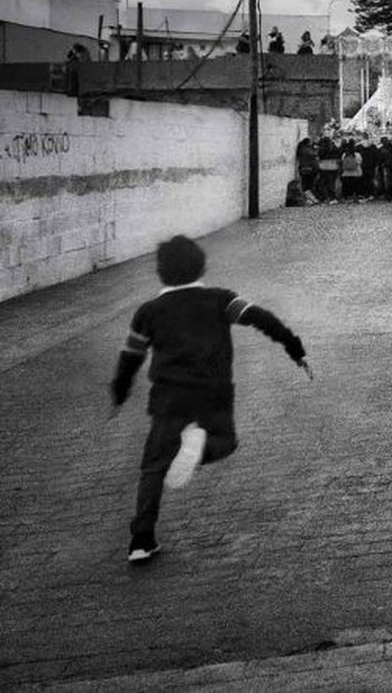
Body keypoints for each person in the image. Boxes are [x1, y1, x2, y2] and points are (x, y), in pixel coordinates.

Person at [109, 235, 313, 563]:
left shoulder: (148, 312)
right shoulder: (220, 300)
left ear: (161, 272)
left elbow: (130, 357)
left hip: (168, 399)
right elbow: (262, 318)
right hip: (213, 394)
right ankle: (199, 446)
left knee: (153, 468)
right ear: (202, 266)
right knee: (226, 443)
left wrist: (119, 392)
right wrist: (294, 348)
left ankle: (141, 540)